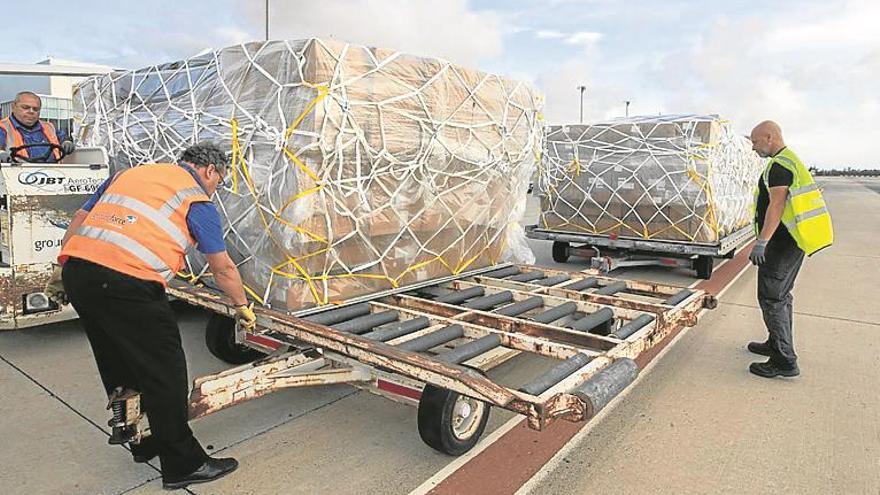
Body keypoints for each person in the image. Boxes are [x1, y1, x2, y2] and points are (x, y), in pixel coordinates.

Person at [44, 142, 256, 489]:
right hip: (127, 283)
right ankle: (183, 464)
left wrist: (61, 264)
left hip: (79, 274)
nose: (216, 188)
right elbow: (223, 267)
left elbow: (81, 217)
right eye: (220, 180)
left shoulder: (130, 174)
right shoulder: (195, 199)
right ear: (210, 171)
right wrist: (241, 307)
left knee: (120, 363)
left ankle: (143, 440)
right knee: (164, 373)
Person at [746, 121, 833, 379]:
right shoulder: (788, 160)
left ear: (769, 137)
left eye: (755, 142)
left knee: (772, 298)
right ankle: (776, 343)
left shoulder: (780, 165)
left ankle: (784, 360)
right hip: (790, 242)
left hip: (782, 244)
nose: (753, 148)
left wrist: (762, 241)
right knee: (781, 296)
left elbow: (777, 205)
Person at [0, 91, 76, 162]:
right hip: (17, 174)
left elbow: (62, 137)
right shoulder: (3, 127)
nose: (31, 111)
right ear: (13, 107)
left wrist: (67, 142)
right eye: (25, 107)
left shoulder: (49, 127)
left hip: (53, 173)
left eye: (36, 109)